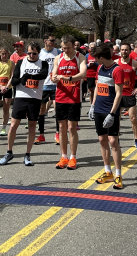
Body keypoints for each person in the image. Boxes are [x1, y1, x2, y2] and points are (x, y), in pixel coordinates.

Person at [0, 42, 49, 166]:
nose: (31, 55)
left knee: (32, 126)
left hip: (35, 98)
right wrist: (22, 79)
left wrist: (30, 75)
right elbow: (14, 80)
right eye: (30, 53)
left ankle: (27, 154)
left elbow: (43, 74)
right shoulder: (21, 63)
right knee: (13, 125)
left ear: (38, 53)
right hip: (21, 97)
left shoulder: (43, 63)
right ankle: (9, 152)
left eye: (34, 53)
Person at [90, 44, 126, 189]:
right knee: (102, 140)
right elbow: (98, 87)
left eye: (96, 58)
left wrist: (112, 113)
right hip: (99, 108)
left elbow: (119, 93)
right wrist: (92, 105)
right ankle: (107, 171)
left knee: (113, 141)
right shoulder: (100, 68)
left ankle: (118, 174)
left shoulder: (117, 70)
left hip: (111, 110)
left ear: (102, 57)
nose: (94, 61)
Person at [50, 35, 88, 169]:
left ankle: (73, 157)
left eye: (68, 48)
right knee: (61, 128)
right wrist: (54, 78)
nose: (65, 50)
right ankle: (63, 156)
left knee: (72, 128)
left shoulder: (80, 57)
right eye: (63, 48)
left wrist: (68, 78)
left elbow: (83, 74)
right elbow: (54, 74)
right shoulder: (58, 58)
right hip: (60, 97)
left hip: (74, 97)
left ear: (73, 46)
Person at [117, 43, 137, 150]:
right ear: (120, 51)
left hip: (129, 95)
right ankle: (117, 140)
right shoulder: (116, 63)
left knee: (133, 118)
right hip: (118, 95)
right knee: (117, 118)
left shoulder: (134, 63)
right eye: (122, 50)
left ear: (130, 51)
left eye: (126, 50)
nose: (124, 52)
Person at [35, 33, 60, 145]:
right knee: (41, 110)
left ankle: (57, 134)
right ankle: (41, 135)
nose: (54, 43)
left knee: (57, 109)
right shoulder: (39, 54)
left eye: (54, 41)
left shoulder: (58, 52)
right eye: (51, 40)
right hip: (43, 85)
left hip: (56, 85)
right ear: (45, 41)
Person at [86, 42, 98, 110]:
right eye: (91, 48)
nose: (92, 49)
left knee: (97, 91)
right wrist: (88, 65)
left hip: (96, 75)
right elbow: (83, 65)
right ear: (89, 48)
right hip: (89, 75)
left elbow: (100, 64)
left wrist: (95, 64)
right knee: (91, 91)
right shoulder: (87, 55)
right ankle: (92, 106)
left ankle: (96, 105)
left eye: (93, 48)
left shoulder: (97, 55)